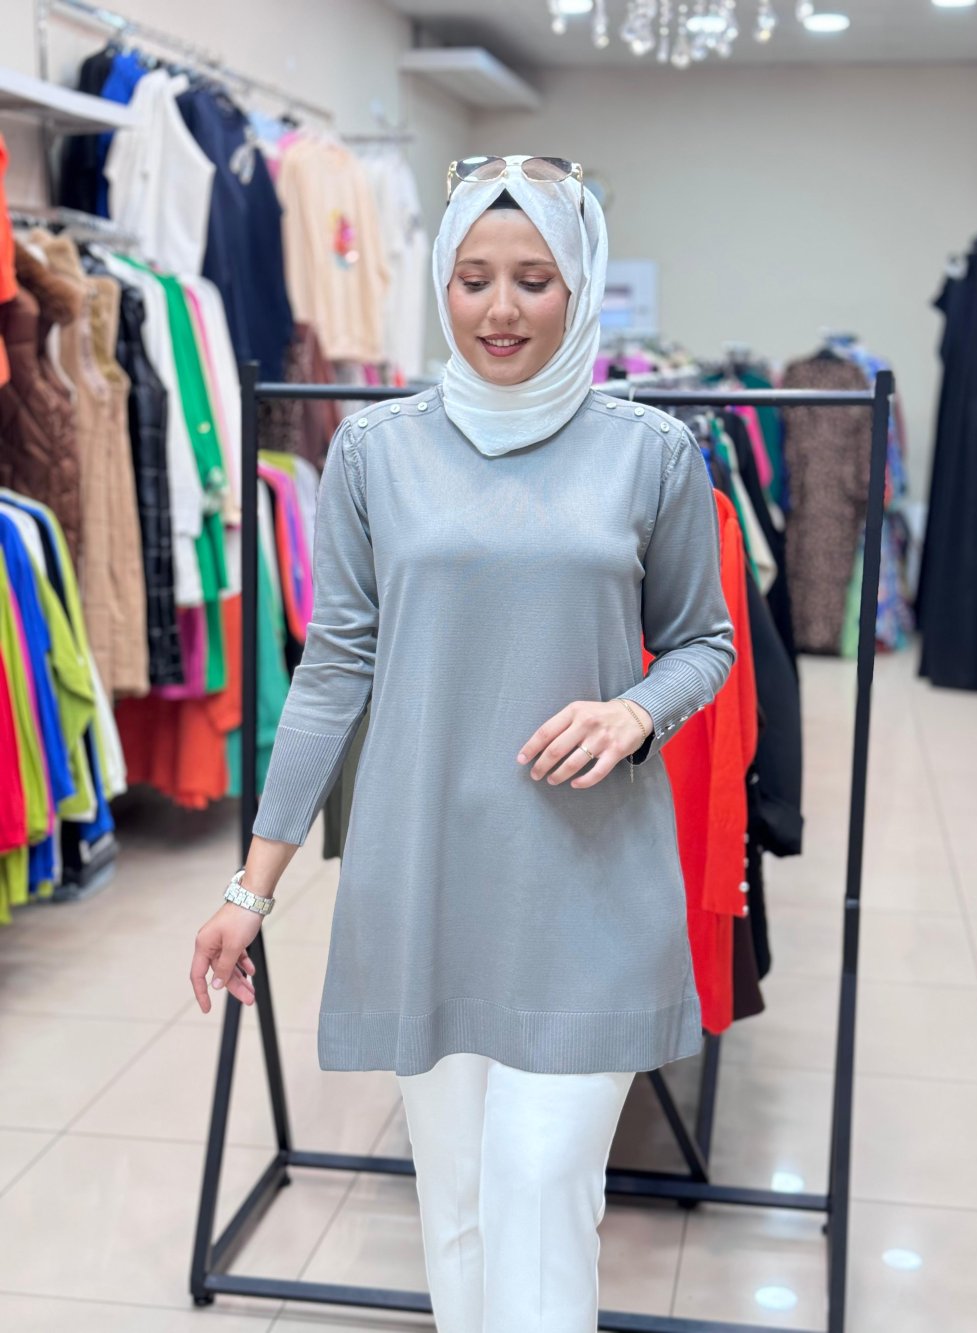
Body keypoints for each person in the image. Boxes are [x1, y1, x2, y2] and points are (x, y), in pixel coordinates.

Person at [190, 153, 735, 1332]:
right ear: (439, 283)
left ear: (578, 283)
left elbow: (705, 642)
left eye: (534, 278)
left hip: (588, 879)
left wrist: (635, 711)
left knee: (541, 1190)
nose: (500, 308)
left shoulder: (649, 450)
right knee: (458, 1206)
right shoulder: (374, 451)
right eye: (473, 278)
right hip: (424, 878)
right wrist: (251, 888)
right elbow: (333, 672)